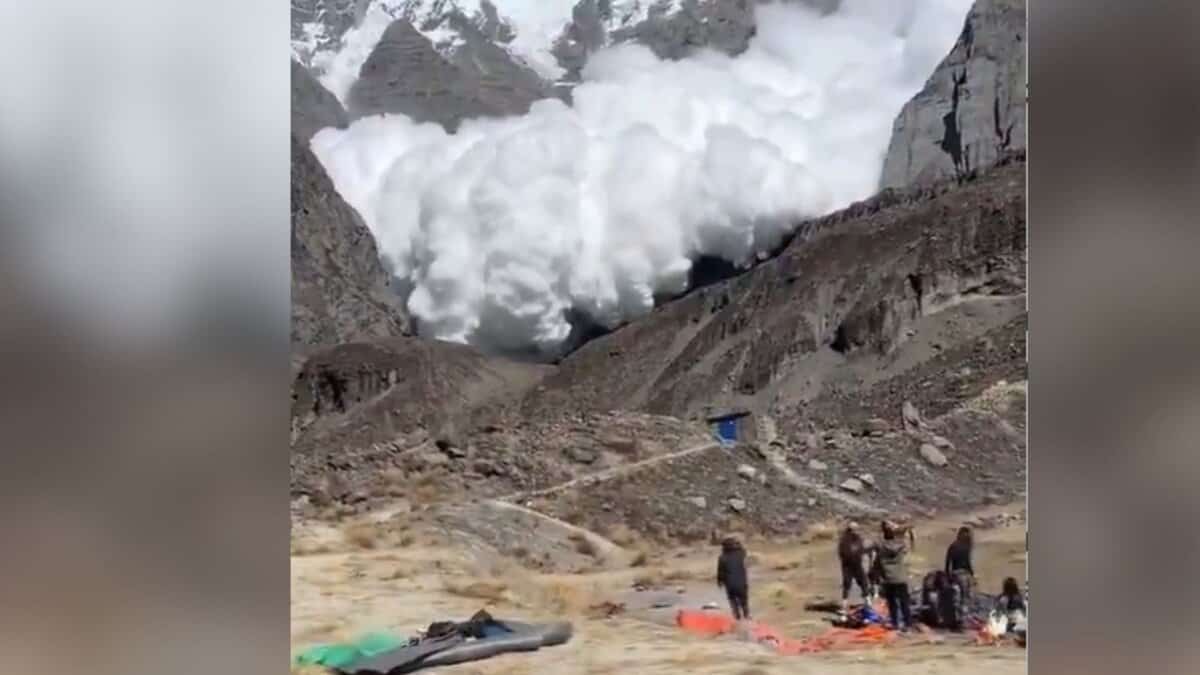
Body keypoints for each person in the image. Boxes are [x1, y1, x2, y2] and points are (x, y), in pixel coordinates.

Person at [875, 520, 914, 632]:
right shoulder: (901, 546)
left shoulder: (881, 547)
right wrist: (898, 529)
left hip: (888, 578)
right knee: (904, 602)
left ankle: (895, 624)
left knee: (892, 603)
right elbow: (907, 542)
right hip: (901, 577)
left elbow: (877, 560)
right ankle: (908, 624)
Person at [837, 521, 873, 612]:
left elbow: (862, 549)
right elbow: (842, 553)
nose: (856, 531)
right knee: (847, 585)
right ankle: (844, 606)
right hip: (848, 566)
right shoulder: (844, 541)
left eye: (857, 529)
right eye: (854, 530)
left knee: (864, 583)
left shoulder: (859, 539)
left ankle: (868, 603)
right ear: (849, 530)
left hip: (857, 565)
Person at [716, 537, 751, 620]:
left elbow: (720, 572)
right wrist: (738, 544)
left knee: (733, 602)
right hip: (742, 583)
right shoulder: (740, 554)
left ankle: (737, 618)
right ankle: (746, 617)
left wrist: (720, 582)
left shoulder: (722, 557)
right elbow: (743, 550)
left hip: (730, 585)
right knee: (744, 602)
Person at [944, 526, 975, 603]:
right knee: (966, 594)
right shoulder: (965, 546)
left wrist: (948, 576)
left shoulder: (954, 546)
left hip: (957, 573)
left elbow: (947, 563)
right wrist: (971, 573)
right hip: (961, 573)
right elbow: (967, 562)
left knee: (962, 593)